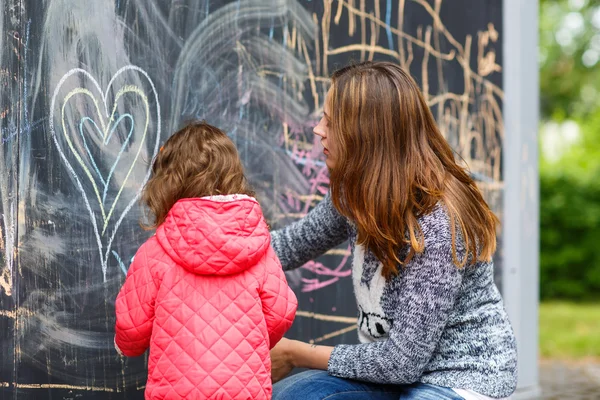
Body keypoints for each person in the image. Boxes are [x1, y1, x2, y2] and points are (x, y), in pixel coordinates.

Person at [269, 61, 517, 400]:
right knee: (292, 396)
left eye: (330, 120)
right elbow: (287, 247)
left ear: (366, 132)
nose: (318, 130)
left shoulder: (437, 221)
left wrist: (297, 353)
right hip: (389, 375)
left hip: (459, 377)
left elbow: (403, 361)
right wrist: (205, 239)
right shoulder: (352, 195)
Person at [114, 121, 297, 399]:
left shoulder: (155, 252)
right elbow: (282, 311)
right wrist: (250, 341)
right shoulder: (258, 248)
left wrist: (124, 345)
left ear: (167, 182)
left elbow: (132, 325)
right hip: (245, 391)